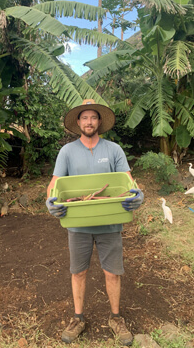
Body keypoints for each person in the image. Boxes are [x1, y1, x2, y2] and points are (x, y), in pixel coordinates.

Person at [46, 99, 144, 346]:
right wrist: (51, 201)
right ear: (78, 122)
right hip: (78, 224)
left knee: (113, 272)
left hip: (110, 223)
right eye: (84, 118)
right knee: (78, 271)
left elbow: (128, 181)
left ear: (99, 122)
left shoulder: (113, 150)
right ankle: (78, 318)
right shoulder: (67, 152)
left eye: (93, 117)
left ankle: (115, 318)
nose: (89, 122)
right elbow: (55, 183)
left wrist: (137, 194)